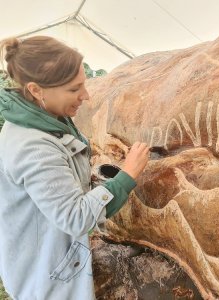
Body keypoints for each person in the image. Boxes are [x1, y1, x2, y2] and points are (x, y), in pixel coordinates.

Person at [0, 36, 149, 299]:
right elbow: (75, 218)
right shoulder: (33, 148)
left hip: (52, 254)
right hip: (45, 280)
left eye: (84, 84)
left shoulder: (50, 118)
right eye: (74, 89)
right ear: (36, 90)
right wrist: (127, 175)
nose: (86, 95)